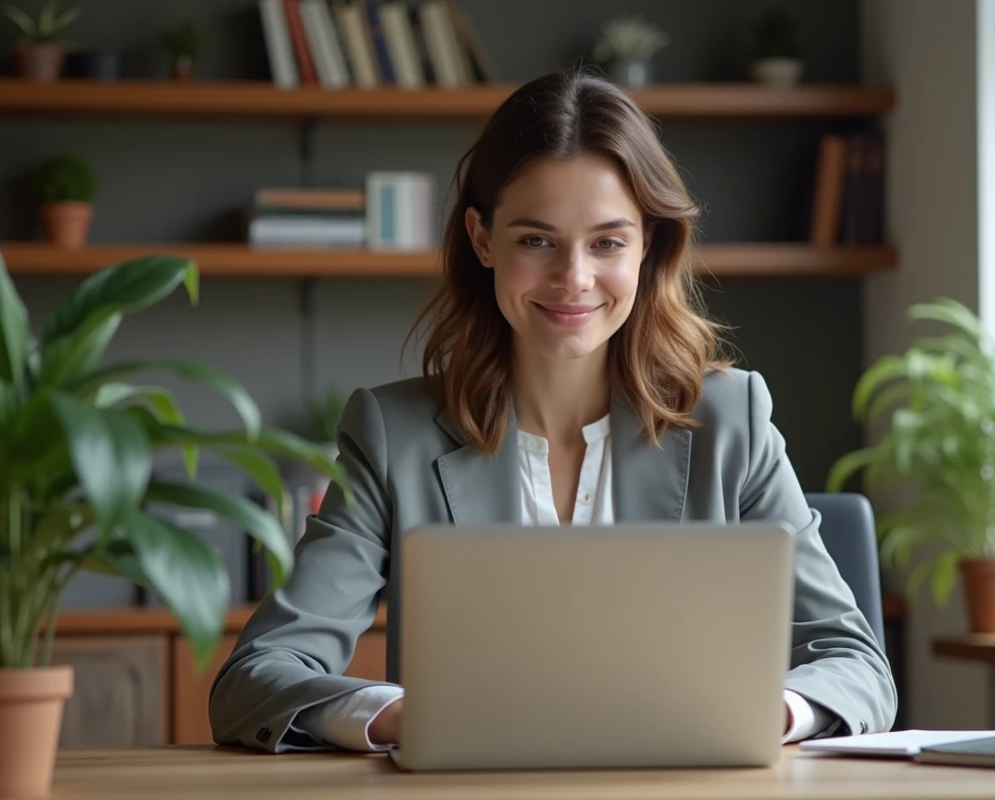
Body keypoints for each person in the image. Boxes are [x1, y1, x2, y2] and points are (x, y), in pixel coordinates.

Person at [209, 68, 897, 754]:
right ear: (483, 239)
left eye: (607, 242)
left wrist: (764, 713)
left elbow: (858, 665)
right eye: (536, 240)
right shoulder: (396, 437)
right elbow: (255, 680)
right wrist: (399, 717)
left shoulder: (731, 420)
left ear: (648, 245)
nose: (573, 277)